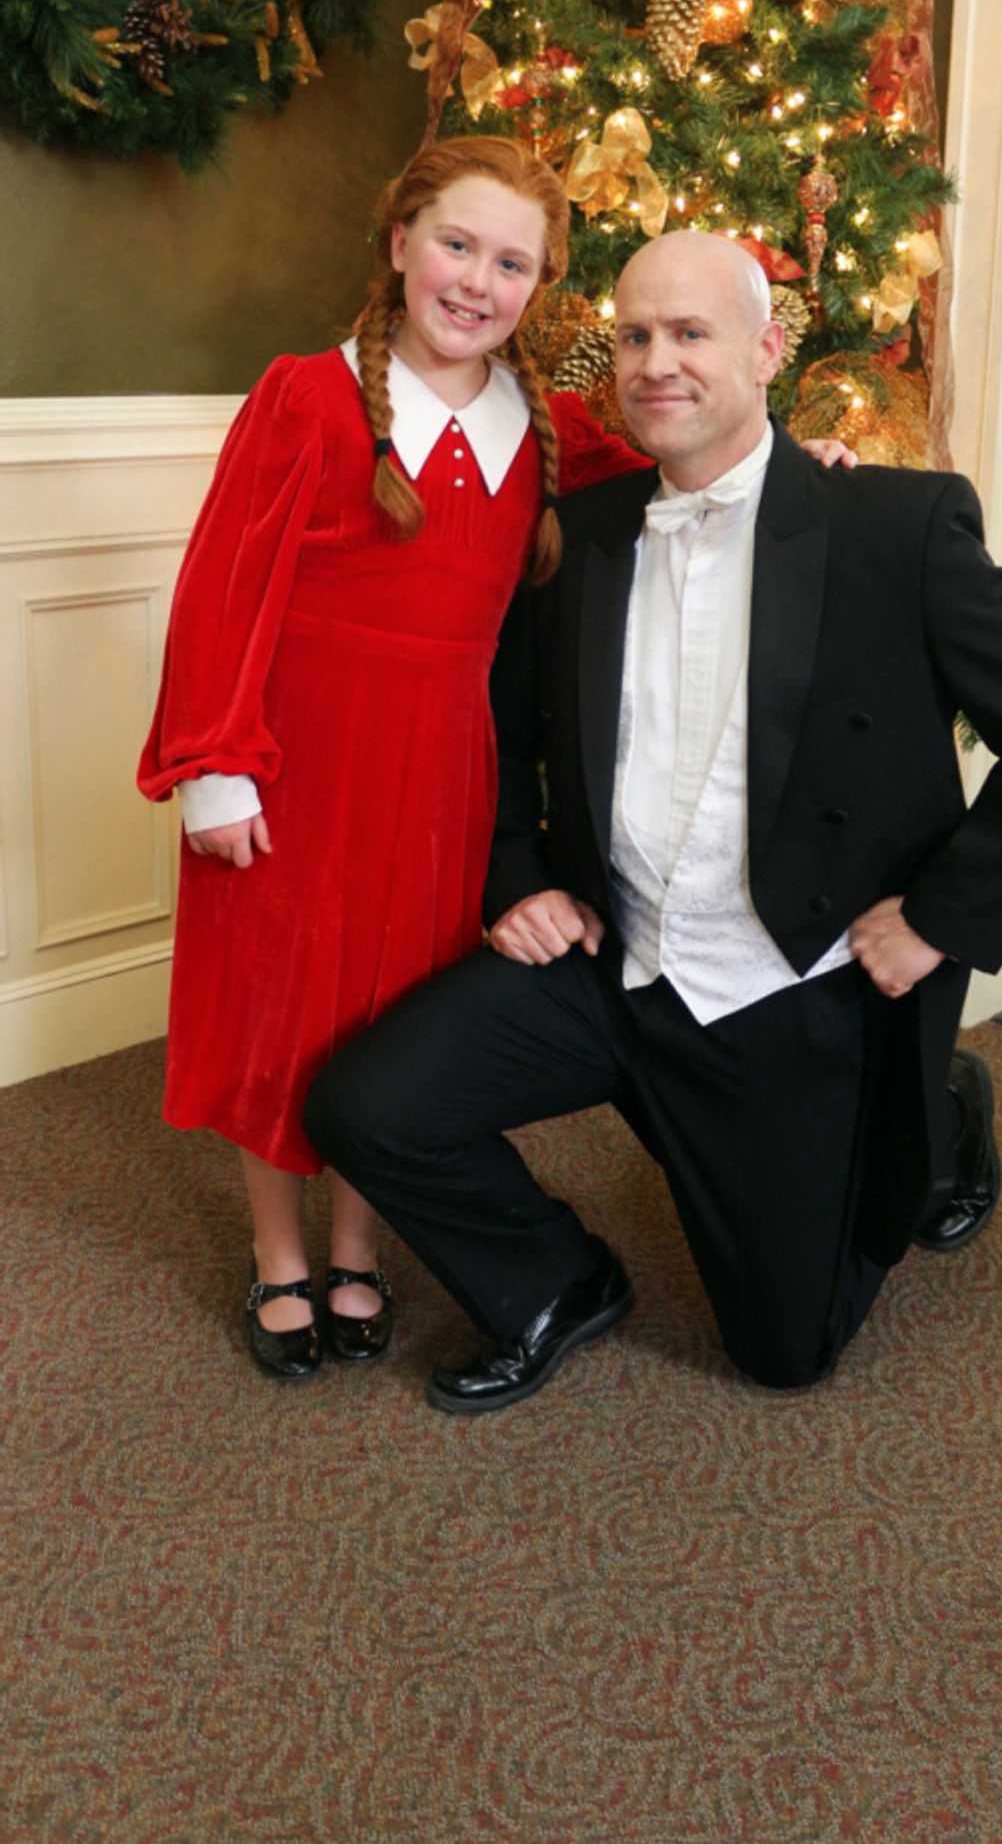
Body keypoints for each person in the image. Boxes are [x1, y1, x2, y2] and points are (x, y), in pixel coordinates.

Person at [304, 226, 1002, 1413]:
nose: (658, 361)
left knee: (784, 1353)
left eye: (692, 332)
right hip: (614, 960)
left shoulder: (890, 530)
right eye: (636, 334)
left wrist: (946, 919)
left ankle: (942, 1109)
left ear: (765, 353)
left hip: (787, 986)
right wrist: (518, 878)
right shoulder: (582, 532)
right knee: (365, 1104)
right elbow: (504, 728)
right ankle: (556, 1282)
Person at [139, 146, 849, 1381]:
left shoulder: (554, 430)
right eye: (457, 245)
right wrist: (215, 763)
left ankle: (361, 1247)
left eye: (512, 262)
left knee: (385, 1014)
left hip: (441, 779)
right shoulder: (303, 395)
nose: (477, 280)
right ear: (403, 239)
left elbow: (705, 460)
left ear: (541, 287)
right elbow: (220, 586)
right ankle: (281, 1259)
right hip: (296, 765)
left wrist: (811, 462)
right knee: (279, 1008)